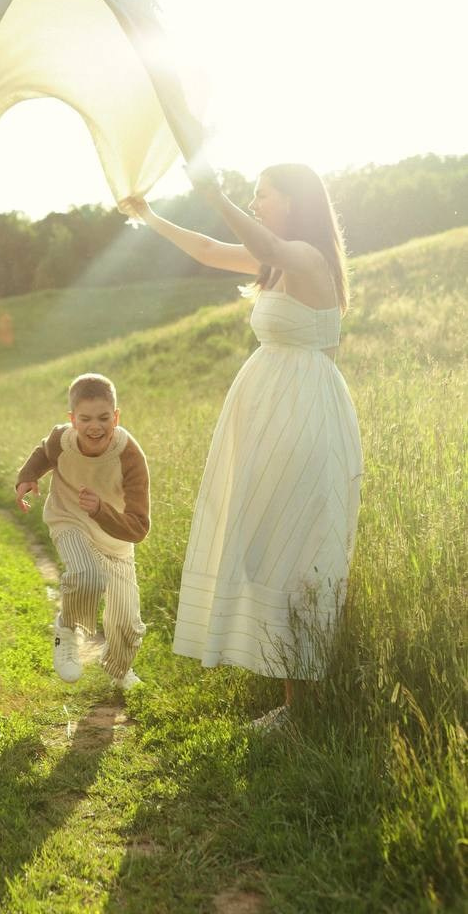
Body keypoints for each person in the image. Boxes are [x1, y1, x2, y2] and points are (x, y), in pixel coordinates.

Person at [120, 163, 363, 728]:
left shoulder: (305, 257)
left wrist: (217, 195)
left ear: (293, 202)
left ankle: (300, 708)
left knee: (298, 548)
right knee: (267, 545)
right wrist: (149, 214)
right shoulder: (275, 261)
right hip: (271, 416)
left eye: (263, 195)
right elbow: (206, 248)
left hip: (302, 420)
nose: (256, 203)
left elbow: (266, 241)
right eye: (252, 195)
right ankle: (291, 695)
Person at [15, 372, 150, 691]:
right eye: (85, 418)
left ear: (116, 416)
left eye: (104, 418)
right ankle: (66, 631)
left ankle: (119, 671)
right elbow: (44, 452)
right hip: (69, 520)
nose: (95, 426)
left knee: (127, 624)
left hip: (116, 539)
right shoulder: (61, 439)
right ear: (72, 419)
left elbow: (139, 527)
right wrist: (27, 476)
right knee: (87, 575)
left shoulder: (129, 456)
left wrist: (101, 509)